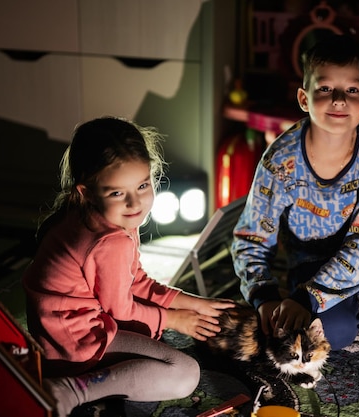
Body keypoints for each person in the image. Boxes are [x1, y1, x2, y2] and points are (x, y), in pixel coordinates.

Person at [231, 34, 359, 352]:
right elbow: (251, 238)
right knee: (337, 332)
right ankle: (344, 306)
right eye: (326, 88)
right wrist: (266, 298)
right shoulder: (281, 160)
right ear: (304, 98)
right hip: (311, 262)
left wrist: (307, 302)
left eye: (352, 90)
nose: (339, 99)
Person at [22, 116, 234, 417]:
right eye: (118, 193)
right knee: (185, 373)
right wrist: (176, 320)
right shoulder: (110, 241)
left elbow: (136, 282)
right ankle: (71, 389)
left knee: (154, 328)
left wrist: (194, 304)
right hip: (74, 346)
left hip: (57, 334)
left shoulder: (95, 213)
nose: (136, 203)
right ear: (87, 192)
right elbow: (121, 310)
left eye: (143, 185)